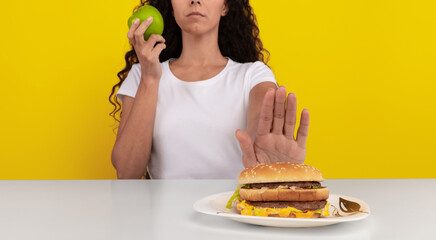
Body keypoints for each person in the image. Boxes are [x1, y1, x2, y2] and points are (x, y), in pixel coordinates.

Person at [109, 0, 310, 179]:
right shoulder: (143, 73)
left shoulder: (253, 75)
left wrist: (268, 158)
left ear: (225, 6)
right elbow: (127, 172)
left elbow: (260, 118)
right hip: (164, 220)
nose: (195, 1)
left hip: (234, 215)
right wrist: (150, 79)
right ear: (171, 6)